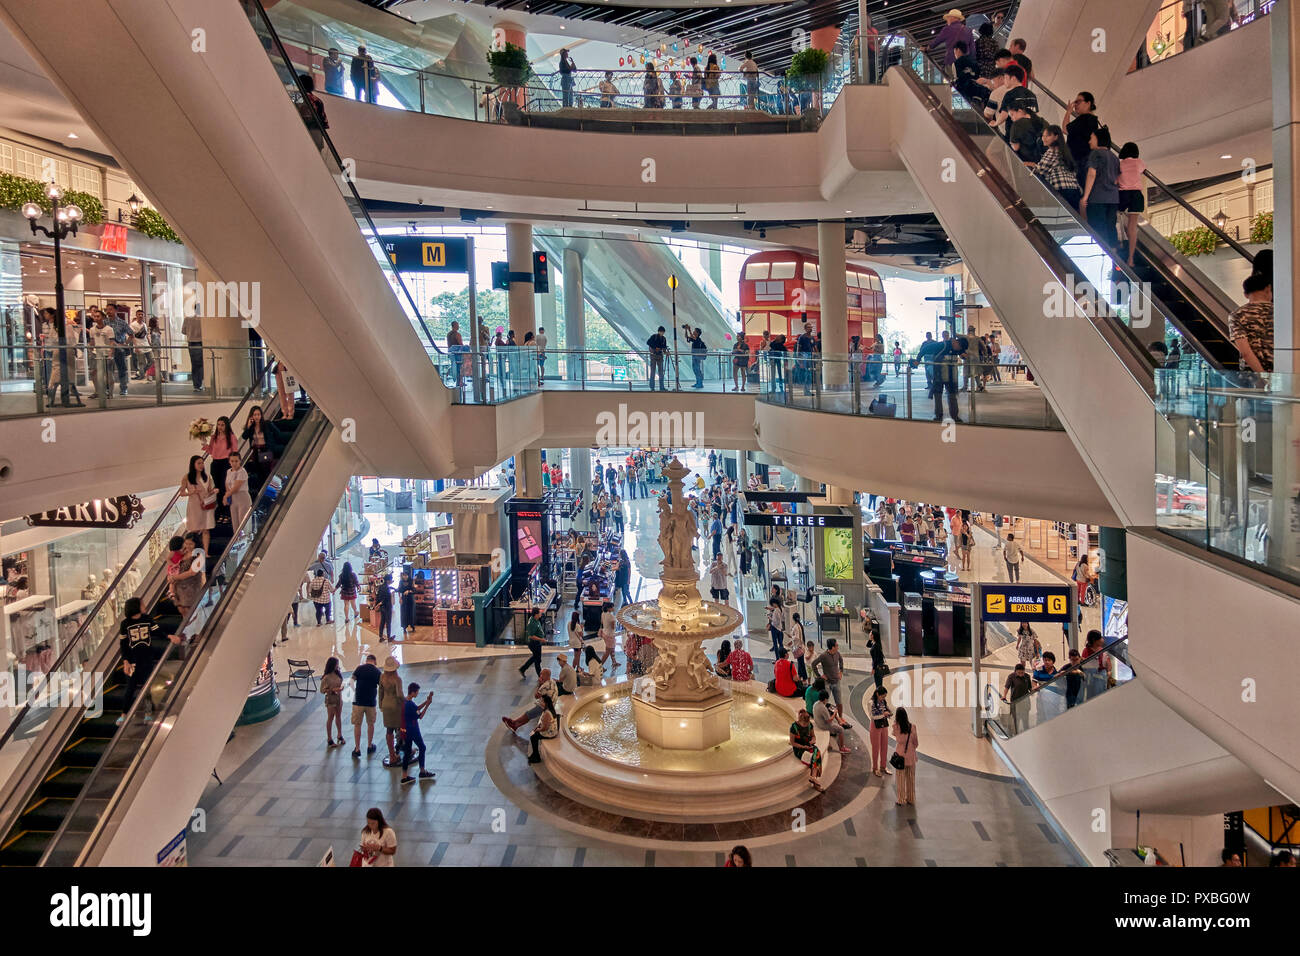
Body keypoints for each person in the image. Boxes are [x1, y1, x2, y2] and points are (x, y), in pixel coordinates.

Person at [117, 596, 176, 724]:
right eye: (142, 605)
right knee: (130, 687)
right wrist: (125, 662)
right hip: (132, 661)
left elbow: (157, 631)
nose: (145, 606)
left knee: (147, 686)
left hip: (147, 659)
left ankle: (148, 712)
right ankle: (124, 713)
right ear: (136, 607)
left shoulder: (147, 619)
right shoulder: (125, 624)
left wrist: (168, 636)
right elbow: (123, 645)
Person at [1228, 273, 1273, 375]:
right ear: (1268, 288)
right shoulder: (1285, 313)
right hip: (1284, 371)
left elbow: (1246, 352)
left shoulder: (1237, 315)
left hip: (1252, 375)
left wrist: (1263, 376)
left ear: (1246, 294)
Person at [1032, 124, 1082, 209]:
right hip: (1074, 189)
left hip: (1061, 189)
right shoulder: (1065, 152)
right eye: (1043, 136)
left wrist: (1031, 165)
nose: (1044, 138)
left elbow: (1040, 170)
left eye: (1047, 136)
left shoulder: (1052, 151)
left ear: (1056, 137)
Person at [1114, 142, 1147, 267]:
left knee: (1118, 218)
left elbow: (1115, 180)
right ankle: (1131, 258)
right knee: (1133, 228)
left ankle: (1120, 243)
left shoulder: (1119, 164)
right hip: (1136, 196)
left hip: (1123, 195)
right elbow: (1143, 169)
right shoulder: (1139, 162)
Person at [397, 682, 435, 784]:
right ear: (413, 692)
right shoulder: (410, 704)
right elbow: (420, 715)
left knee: (407, 753)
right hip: (413, 730)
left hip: (405, 731)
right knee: (422, 747)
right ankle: (422, 771)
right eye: (417, 692)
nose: (418, 693)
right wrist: (427, 705)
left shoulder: (405, 701)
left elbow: (417, 708)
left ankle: (404, 776)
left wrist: (426, 702)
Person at [1063, 91, 1102, 191]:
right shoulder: (1092, 120)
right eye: (1075, 102)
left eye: (1078, 101)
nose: (1075, 105)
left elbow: (1065, 129)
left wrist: (1068, 112)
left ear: (1088, 103)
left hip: (1079, 162)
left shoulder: (1084, 118)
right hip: (1083, 161)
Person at [201, 415, 237, 510]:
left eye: (222, 425)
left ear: (227, 426)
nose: (220, 427)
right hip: (215, 463)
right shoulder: (214, 437)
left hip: (226, 464)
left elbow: (235, 452)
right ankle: (220, 507)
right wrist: (204, 443)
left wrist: (234, 467)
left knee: (223, 486)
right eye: (218, 425)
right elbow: (211, 450)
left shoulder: (231, 437)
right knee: (216, 486)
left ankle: (224, 507)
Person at [350, 652, 381, 759]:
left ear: (366, 660)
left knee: (357, 725)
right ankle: (369, 745)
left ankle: (357, 748)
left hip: (358, 701)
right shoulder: (377, 671)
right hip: (370, 702)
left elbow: (351, 681)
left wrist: (355, 691)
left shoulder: (359, 668)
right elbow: (381, 687)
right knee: (370, 724)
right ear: (375, 662)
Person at [930, 331, 967, 422]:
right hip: (939, 373)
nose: (946, 336)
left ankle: (954, 415)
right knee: (938, 394)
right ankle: (939, 415)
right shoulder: (941, 345)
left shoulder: (954, 346)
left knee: (951, 395)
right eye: (945, 335)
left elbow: (963, 355)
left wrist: (967, 355)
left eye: (947, 335)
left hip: (950, 375)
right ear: (943, 336)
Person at [378, 656, 404, 767]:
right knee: (402, 727)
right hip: (395, 706)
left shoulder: (382, 677)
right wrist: (405, 702)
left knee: (389, 730)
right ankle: (406, 748)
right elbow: (399, 695)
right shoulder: (397, 679)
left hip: (385, 704)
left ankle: (392, 754)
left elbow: (380, 692)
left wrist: (380, 705)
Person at [790, 709, 824, 792]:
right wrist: (803, 747)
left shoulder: (810, 725)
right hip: (799, 749)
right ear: (800, 720)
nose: (806, 725)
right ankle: (814, 780)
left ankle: (813, 778)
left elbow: (813, 736)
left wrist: (813, 740)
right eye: (804, 724)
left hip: (808, 746)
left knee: (816, 752)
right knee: (815, 757)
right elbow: (792, 743)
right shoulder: (794, 727)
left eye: (807, 724)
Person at [892, 706, 919, 805]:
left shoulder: (895, 727)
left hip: (900, 756)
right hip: (911, 755)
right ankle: (911, 798)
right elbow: (916, 743)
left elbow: (896, 736)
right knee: (911, 778)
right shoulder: (913, 727)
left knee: (900, 779)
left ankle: (901, 799)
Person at [812, 637, 847, 712]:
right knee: (824, 703)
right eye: (836, 645)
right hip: (827, 683)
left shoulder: (837, 653)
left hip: (837, 682)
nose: (838, 646)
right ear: (833, 647)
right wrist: (820, 676)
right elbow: (813, 664)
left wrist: (841, 671)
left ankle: (840, 718)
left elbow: (841, 660)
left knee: (839, 702)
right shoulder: (823, 656)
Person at [296, 74, 329, 149]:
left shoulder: (297, 98)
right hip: (316, 135)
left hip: (302, 133)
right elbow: (324, 121)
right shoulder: (318, 100)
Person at [1002, 661, 1033, 735]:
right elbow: (1007, 687)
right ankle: (1015, 734)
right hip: (1015, 701)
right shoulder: (1011, 676)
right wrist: (1004, 696)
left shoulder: (1027, 676)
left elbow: (1030, 688)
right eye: (1019, 673)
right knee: (1016, 719)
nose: (1021, 674)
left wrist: (1035, 691)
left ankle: (1026, 733)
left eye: (1022, 673)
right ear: (1015, 672)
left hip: (1025, 701)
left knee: (1025, 718)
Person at [526, 694, 559, 764]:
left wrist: (537, 730)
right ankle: (535, 754)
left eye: (542, 701)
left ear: (546, 703)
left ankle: (536, 756)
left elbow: (544, 728)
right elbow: (543, 723)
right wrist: (537, 727)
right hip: (550, 729)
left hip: (550, 733)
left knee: (533, 737)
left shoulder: (547, 713)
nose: (540, 702)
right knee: (534, 733)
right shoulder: (549, 709)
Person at [868, 685, 893, 776]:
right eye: (882, 696)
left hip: (884, 725)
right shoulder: (871, 702)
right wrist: (884, 714)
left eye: (884, 697)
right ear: (877, 694)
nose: (883, 698)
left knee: (884, 746)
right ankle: (875, 768)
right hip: (875, 726)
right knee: (876, 748)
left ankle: (883, 766)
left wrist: (888, 713)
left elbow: (888, 710)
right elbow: (872, 716)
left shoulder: (883, 701)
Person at [321, 656, 344, 747]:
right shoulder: (326, 677)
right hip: (330, 699)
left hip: (338, 698)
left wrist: (340, 688)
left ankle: (339, 734)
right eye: (336, 664)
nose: (337, 666)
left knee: (338, 716)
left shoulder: (338, 674)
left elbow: (340, 683)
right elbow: (322, 690)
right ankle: (329, 738)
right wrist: (333, 690)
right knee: (331, 717)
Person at [519, 606, 546, 679]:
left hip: (538, 643)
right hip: (534, 644)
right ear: (536, 614)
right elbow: (531, 636)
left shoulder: (536, 620)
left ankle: (523, 669)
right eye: (539, 613)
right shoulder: (532, 623)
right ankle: (541, 677)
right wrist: (541, 639)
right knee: (537, 660)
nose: (541, 614)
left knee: (536, 658)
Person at [647, 325, 668, 391]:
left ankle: (661, 387)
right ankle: (652, 387)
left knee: (661, 372)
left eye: (663, 332)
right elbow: (648, 343)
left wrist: (665, 352)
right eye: (661, 332)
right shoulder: (654, 336)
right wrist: (655, 348)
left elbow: (664, 347)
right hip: (653, 355)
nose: (662, 333)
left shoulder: (664, 339)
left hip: (660, 355)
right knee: (653, 371)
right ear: (659, 331)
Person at [374, 572, 393, 641]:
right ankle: (388, 637)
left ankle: (381, 636)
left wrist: (377, 604)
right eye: (391, 579)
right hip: (387, 607)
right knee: (388, 622)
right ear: (388, 580)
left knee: (382, 621)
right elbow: (386, 598)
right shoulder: (387, 589)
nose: (392, 580)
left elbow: (378, 596)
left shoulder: (381, 587)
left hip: (382, 607)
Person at [598, 600, 618, 669]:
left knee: (611, 649)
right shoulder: (611, 616)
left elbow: (602, 622)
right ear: (609, 608)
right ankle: (600, 666)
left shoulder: (603, 613)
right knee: (607, 651)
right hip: (610, 635)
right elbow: (613, 627)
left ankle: (614, 662)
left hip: (604, 633)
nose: (613, 608)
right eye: (612, 607)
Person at [396, 570, 416, 637]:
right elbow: (399, 590)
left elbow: (414, 590)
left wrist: (409, 591)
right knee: (404, 613)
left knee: (411, 612)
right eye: (404, 575)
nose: (405, 577)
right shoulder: (401, 582)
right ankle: (404, 627)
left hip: (410, 599)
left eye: (406, 575)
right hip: (404, 599)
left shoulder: (411, 581)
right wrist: (400, 598)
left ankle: (412, 626)